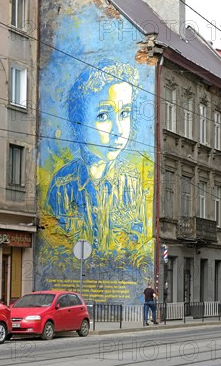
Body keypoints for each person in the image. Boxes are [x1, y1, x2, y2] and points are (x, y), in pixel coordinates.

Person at [46, 60, 152, 262]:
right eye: (103, 115)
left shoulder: (133, 182)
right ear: (78, 125)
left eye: (124, 114)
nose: (118, 130)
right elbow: (53, 252)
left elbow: (139, 251)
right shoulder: (62, 185)